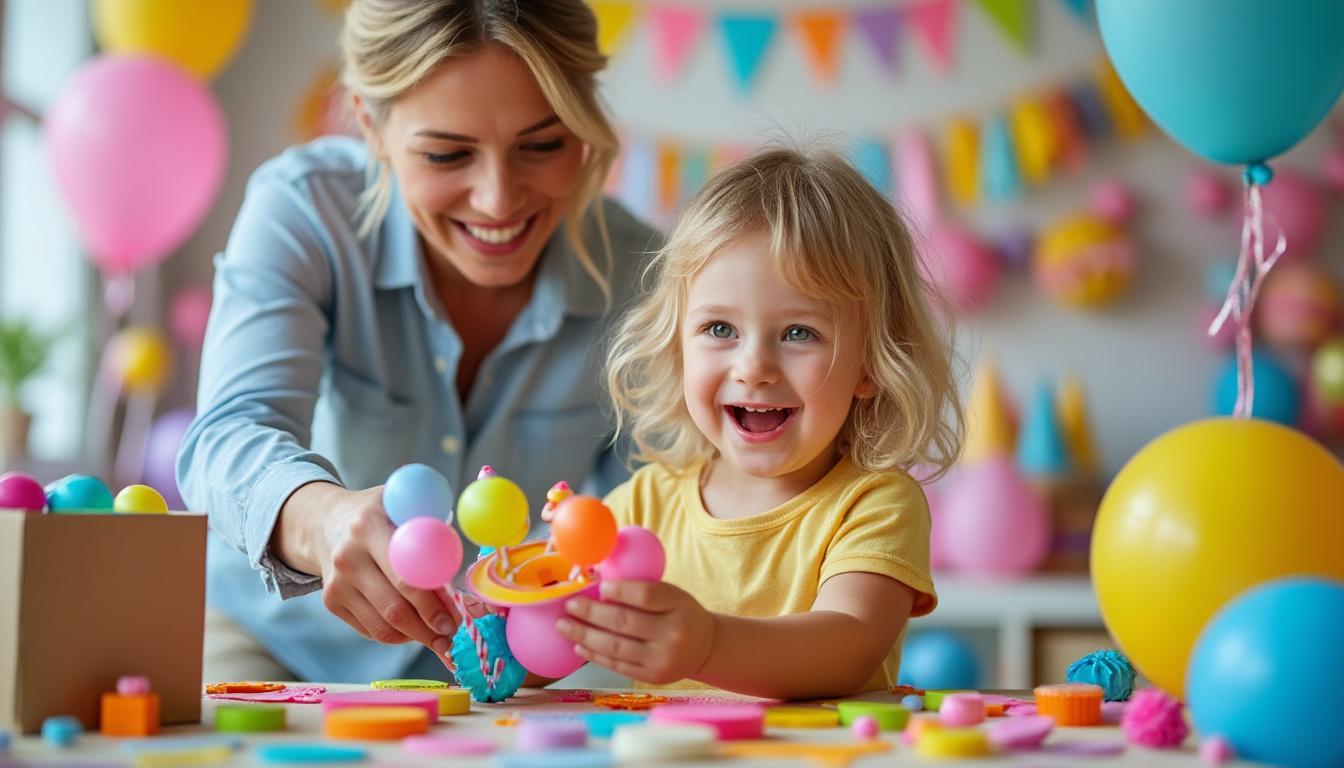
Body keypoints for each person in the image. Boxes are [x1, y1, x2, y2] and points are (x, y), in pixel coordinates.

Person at [177, 0, 658, 684]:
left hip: (516, 661)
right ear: (370, 125)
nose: (497, 200)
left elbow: (656, 510)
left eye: (542, 145)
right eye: (446, 153)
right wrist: (323, 520)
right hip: (272, 638)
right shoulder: (305, 211)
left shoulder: (642, 277)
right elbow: (229, 434)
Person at [556, 145, 965, 700]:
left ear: (869, 364)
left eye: (799, 332)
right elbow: (559, 640)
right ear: (678, 348)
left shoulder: (874, 504)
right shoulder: (641, 505)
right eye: (720, 329)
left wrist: (704, 645)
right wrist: (510, 622)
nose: (753, 368)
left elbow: (846, 645)